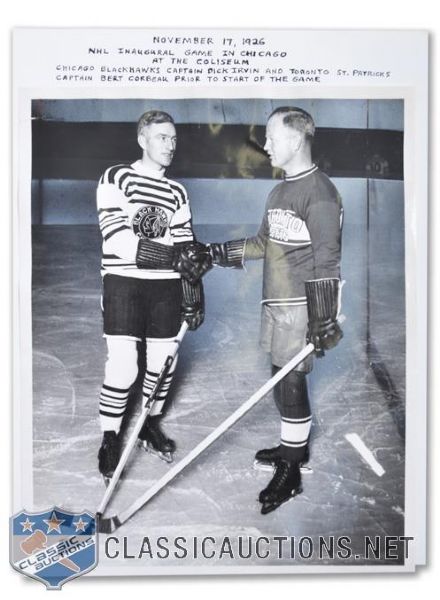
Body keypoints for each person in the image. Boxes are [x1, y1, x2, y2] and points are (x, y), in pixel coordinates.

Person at [209, 107, 343, 514]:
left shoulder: (319, 194)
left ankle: (291, 469)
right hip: (275, 303)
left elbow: (328, 261)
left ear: (296, 139)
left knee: (289, 383)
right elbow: (264, 244)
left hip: (301, 307)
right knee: (279, 376)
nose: (264, 145)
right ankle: (293, 447)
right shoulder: (279, 191)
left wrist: (322, 319)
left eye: (271, 137)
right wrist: (214, 253)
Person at [96, 110, 211, 479]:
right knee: (123, 365)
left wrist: (194, 296)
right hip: (123, 281)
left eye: (174, 139)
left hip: (166, 286)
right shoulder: (117, 177)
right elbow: (118, 238)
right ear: (143, 139)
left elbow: (187, 250)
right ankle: (110, 436)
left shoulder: (177, 191)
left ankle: (148, 423)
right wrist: (173, 257)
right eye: (163, 137)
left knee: (164, 363)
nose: (170, 145)